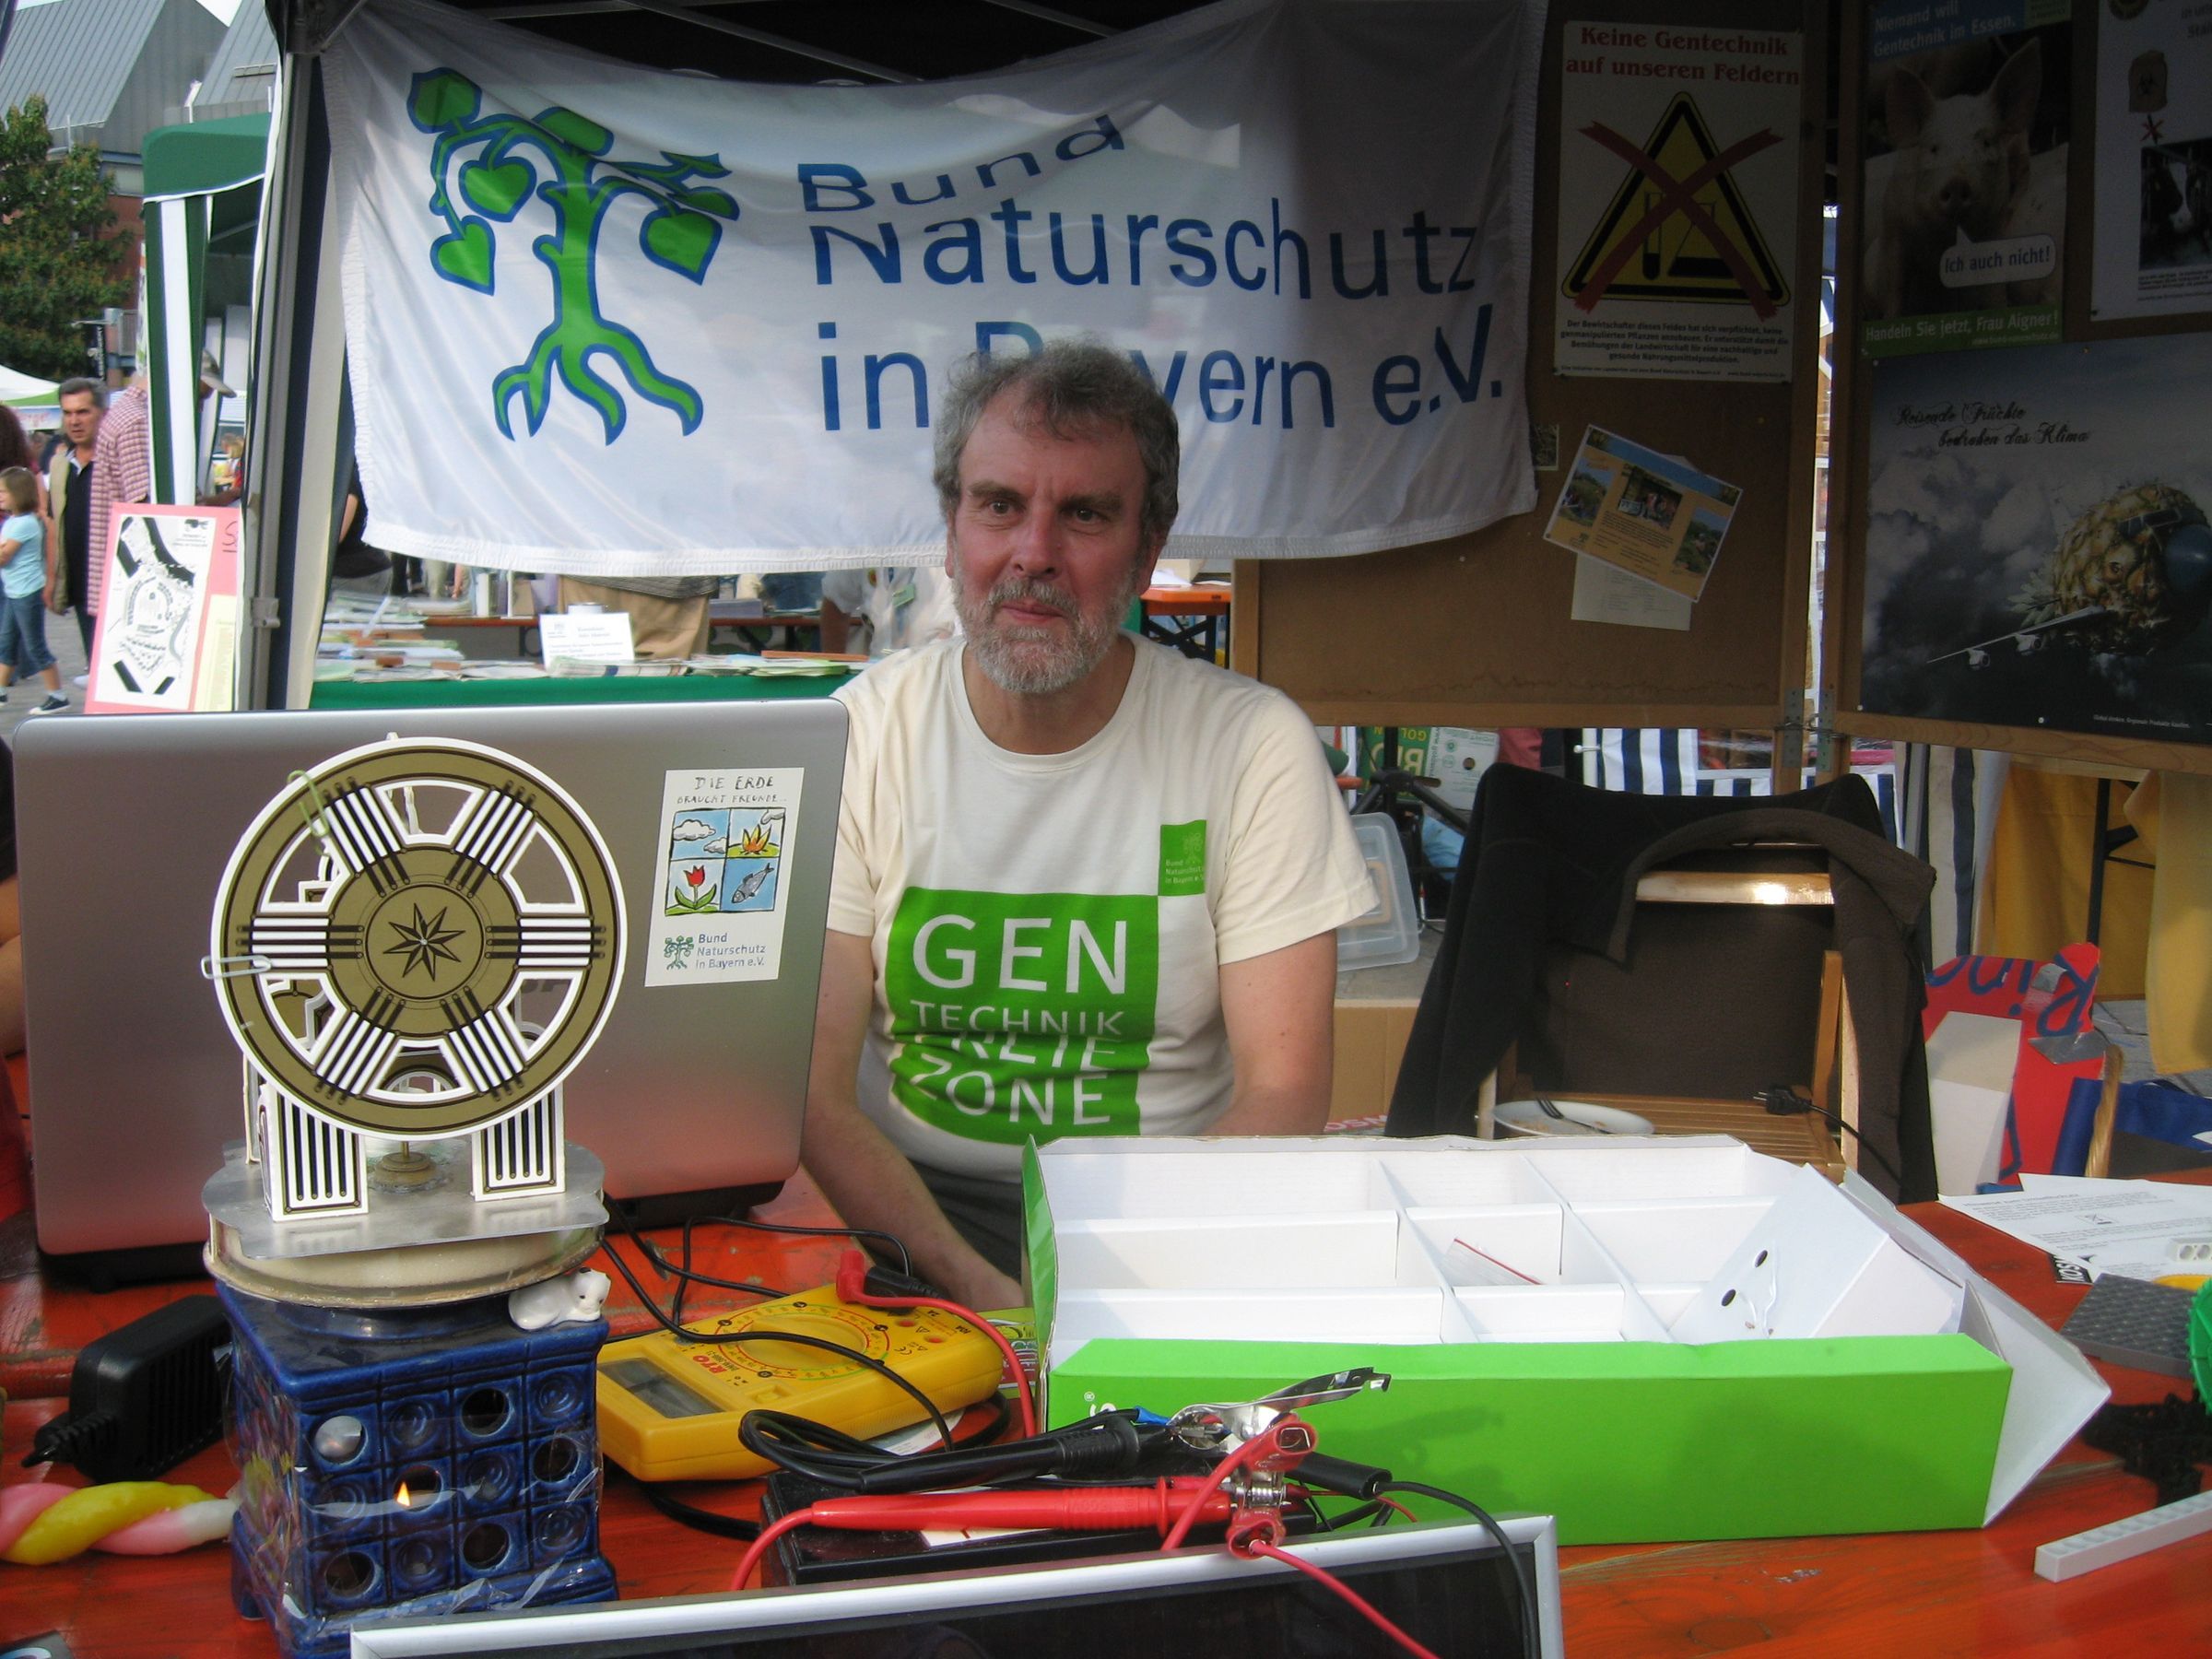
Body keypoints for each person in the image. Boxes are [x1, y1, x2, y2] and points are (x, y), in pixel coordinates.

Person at [805, 340, 1374, 1310]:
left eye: (1085, 515)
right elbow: (809, 1093)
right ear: (951, 530)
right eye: (999, 506)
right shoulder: (862, 734)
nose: (1034, 554)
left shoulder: (1252, 747)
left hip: (1171, 1214)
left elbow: (1283, 1096)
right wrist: (985, 1298)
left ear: (1148, 550)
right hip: (909, 1218)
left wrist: (1107, 1276)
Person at [43, 378, 104, 662]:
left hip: (110, 583)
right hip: (78, 583)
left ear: (102, 413)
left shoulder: (111, 462)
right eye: (67, 413)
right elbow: (54, 522)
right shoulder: (60, 464)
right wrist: (52, 579)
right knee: (93, 660)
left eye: (83, 411)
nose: (74, 421)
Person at [0, 470, 66, 712]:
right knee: (6, 643)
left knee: (35, 646)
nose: (0, 496)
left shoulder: (25, 524)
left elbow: (4, 557)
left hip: (27, 593)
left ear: (19, 494)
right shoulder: (13, 521)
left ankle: (57, 696)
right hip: (14, 591)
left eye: (3, 491)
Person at [818, 564, 959, 657]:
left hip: (925, 676)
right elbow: (835, 598)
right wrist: (833, 665)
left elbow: (947, 636)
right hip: (876, 673)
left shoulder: (945, 555)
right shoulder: (867, 539)